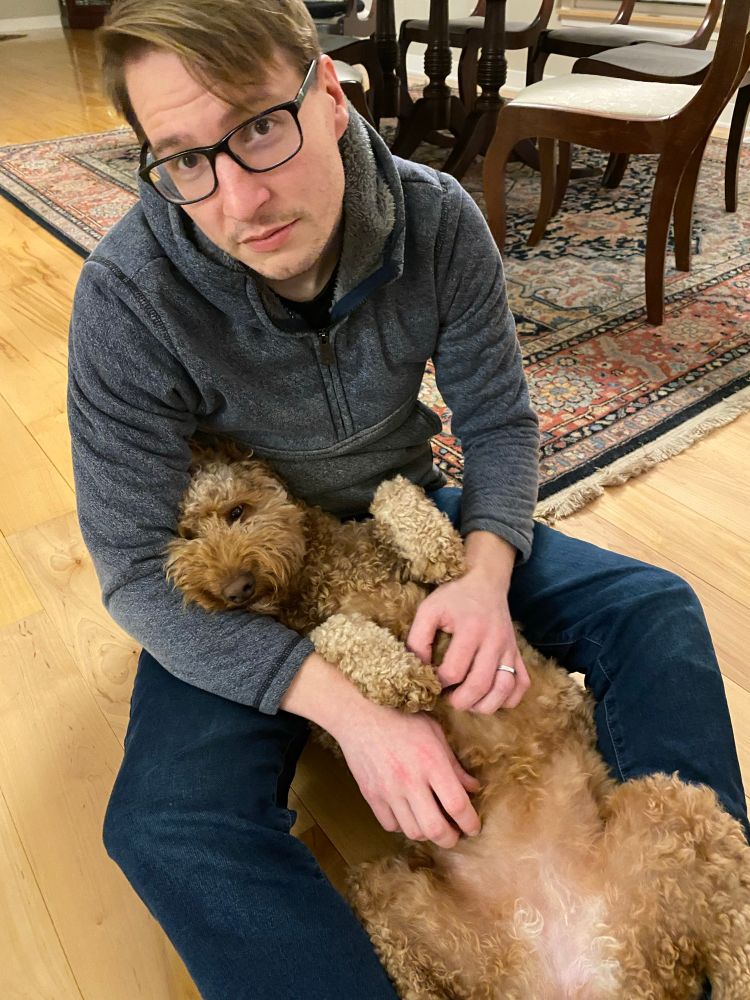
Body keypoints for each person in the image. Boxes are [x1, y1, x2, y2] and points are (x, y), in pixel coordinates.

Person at [67, 1, 747, 997]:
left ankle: (694, 931)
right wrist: (349, 711)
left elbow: (500, 425)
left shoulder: (436, 219)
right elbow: (133, 571)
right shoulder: (126, 298)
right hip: (255, 583)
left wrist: (484, 575)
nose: (239, 197)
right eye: (183, 159)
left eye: (259, 126)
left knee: (654, 607)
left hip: (408, 509)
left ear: (330, 94)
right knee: (165, 826)